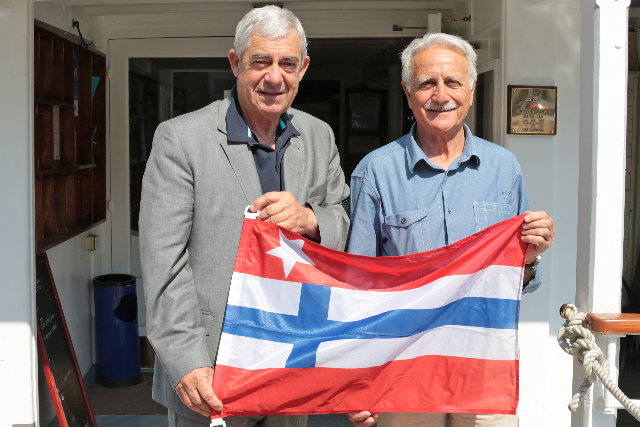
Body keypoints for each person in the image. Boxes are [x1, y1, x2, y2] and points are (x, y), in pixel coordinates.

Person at [139, 6, 350, 427]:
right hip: (213, 371)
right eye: (260, 61)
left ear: (303, 68)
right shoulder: (181, 139)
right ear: (235, 62)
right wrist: (186, 361)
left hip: (293, 359)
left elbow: (343, 219)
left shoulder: (319, 135)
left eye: (287, 63)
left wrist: (311, 219)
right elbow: (163, 261)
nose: (275, 77)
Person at [345, 33, 556, 427]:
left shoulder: (504, 168)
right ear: (408, 93)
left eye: (453, 82)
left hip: (483, 359)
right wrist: (359, 380)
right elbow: (359, 288)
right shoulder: (375, 171)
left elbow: (522, 278)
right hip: (403, 364)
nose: (441, 95)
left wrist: (531, 258)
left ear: (472, 90)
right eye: (427, 83)